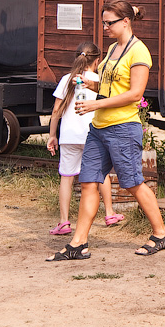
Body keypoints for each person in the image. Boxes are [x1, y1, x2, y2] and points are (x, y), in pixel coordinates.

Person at [46, 1, 165, 261]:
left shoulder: (139, 52)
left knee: (133, 183)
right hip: (99, 128)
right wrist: (88, 86)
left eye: (109, 23)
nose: (104, 27)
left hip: (123, 128)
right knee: (88, 181)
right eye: (103, 22)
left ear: (125, 21)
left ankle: (161, 234)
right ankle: (78, 243)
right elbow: (107, 88)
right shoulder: (113, 49)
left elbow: (135, 94)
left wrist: (95, 103)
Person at [46, 42, 122, 235]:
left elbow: (56, 110)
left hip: (69, 136)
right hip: (92, 134)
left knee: (66, 177)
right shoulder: (99, 80)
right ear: (97, 60)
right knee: (100, 173)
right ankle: (110, 213)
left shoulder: (66, 79)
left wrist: (52, 135)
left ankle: (64, 222)